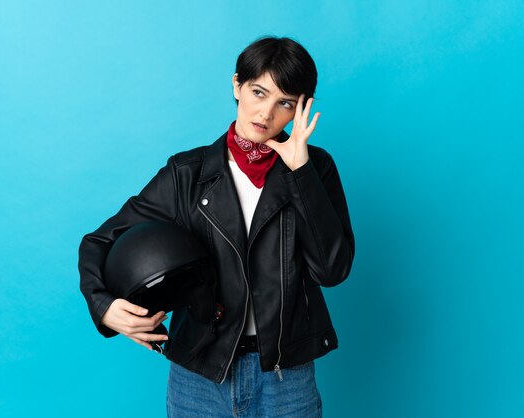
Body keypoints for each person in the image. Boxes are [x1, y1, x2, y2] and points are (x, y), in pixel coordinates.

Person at [79, 36, 355, 417]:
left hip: (284, 374)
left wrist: (300, 173)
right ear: (237, 85)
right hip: (200, 372)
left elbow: (332, 270)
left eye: (284, 103)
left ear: (300, 110)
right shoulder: (187, 174)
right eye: (259, 92)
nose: (266, 113)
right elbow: (99, 240)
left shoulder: (315, 169)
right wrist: (103, 306)